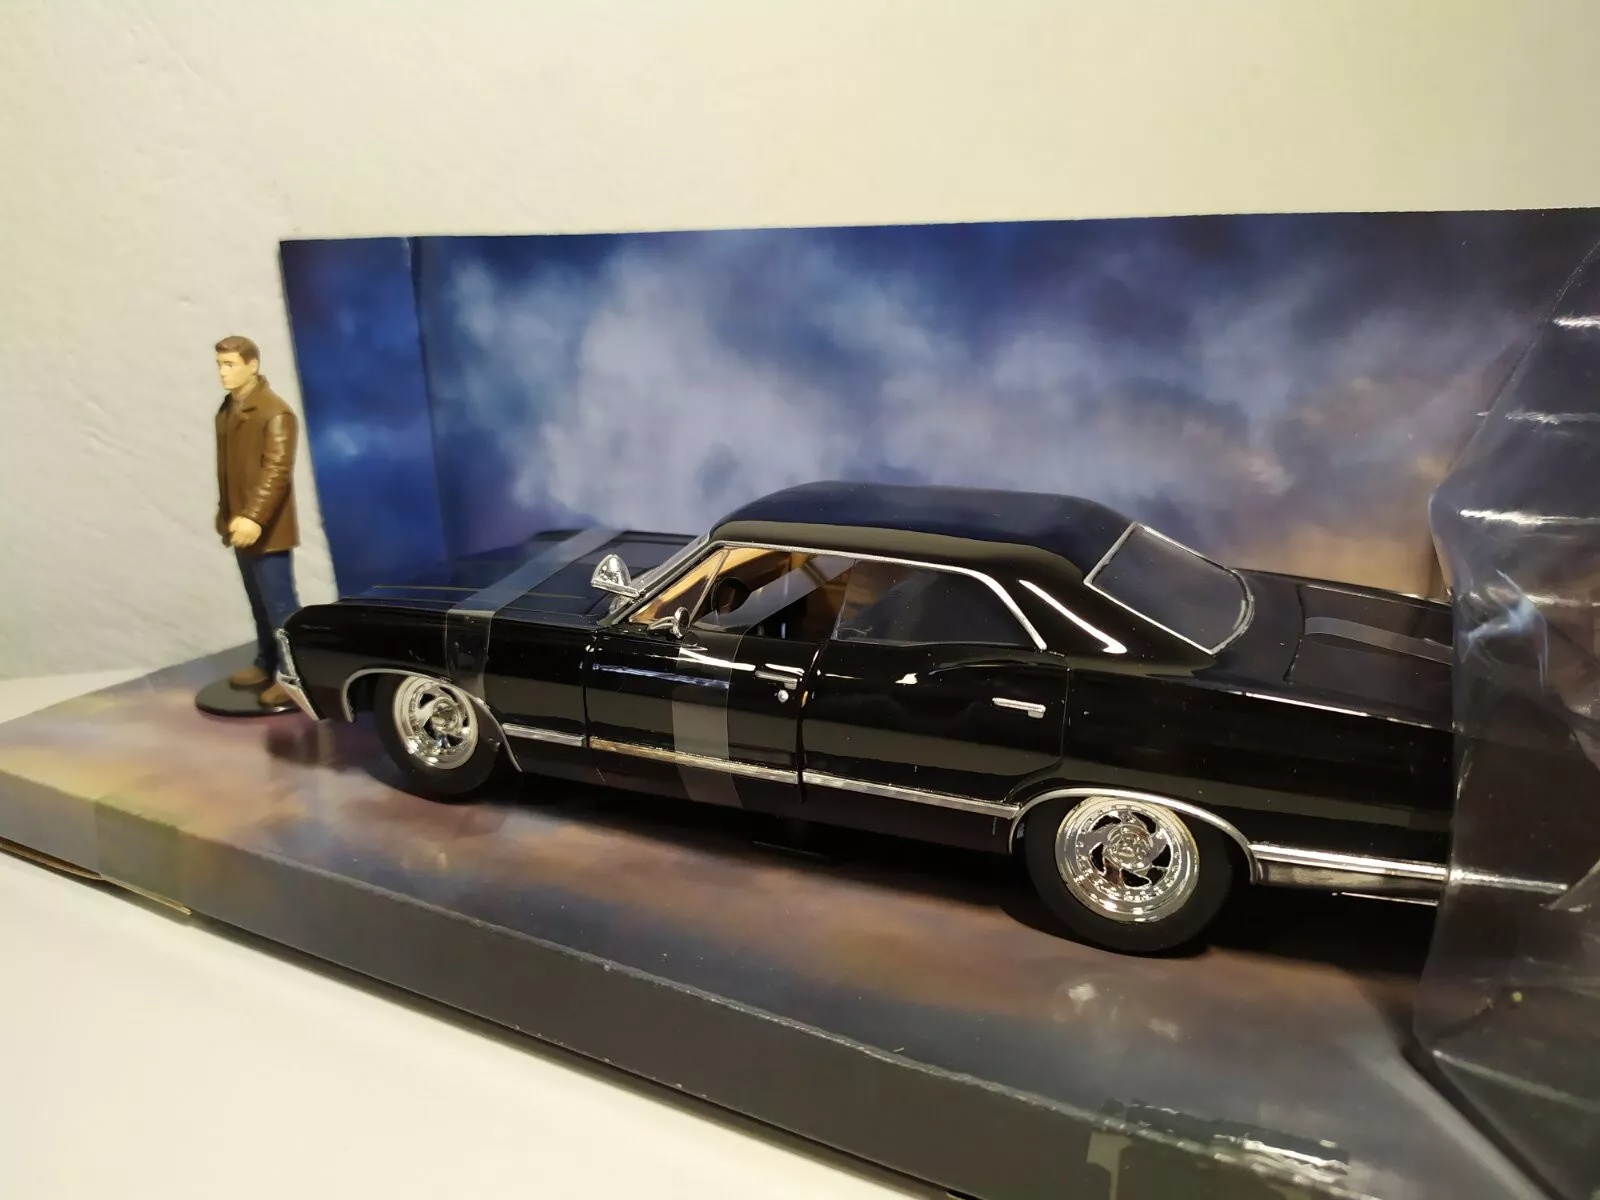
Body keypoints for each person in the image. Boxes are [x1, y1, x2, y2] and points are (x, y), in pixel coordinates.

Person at [213, 335, 301, 707]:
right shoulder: (228, 409)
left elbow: (276, 473)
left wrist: (253, 517)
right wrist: (228, 513)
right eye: (220, 365)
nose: (223, 372)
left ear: (253, 365)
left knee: (281, 607)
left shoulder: (275, 413)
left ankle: (294, 675)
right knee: (258, 603)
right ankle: (267, 662)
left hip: (268, 529)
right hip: (240, 525)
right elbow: (229, 470)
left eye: (230, 364)